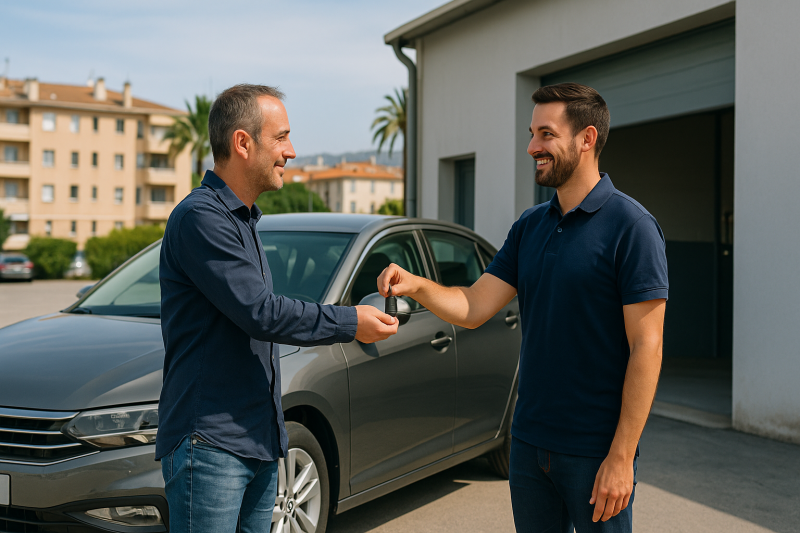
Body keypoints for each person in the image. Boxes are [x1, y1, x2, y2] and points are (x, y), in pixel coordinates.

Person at [378, 82, 667, 533]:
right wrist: (416, 284)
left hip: (595, 452)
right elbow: (474, 306)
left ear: (587, 139)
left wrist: (622, 456)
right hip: (529, 444)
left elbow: (647, 346)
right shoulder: (530, 227)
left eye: (546, 134)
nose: (532, 146)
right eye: (532, 134)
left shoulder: (632, 227)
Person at [157, 84, 398, 533]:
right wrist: (352, 322)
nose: (292, 151)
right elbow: (261, 312)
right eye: (282, 137)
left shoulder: (244, 219)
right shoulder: (201, 217)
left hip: (260, 441)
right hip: (211, 447)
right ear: (243, 143)